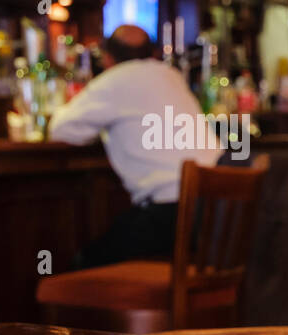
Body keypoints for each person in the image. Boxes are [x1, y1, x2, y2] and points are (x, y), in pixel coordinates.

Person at [48, 24, 220, 268]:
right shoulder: (171, 76)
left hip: (171, 214)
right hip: (218, 213)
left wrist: (103, 130)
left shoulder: (114, 79)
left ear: (107, 59)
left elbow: (60, 129)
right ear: (153, 55)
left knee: (80, 266)